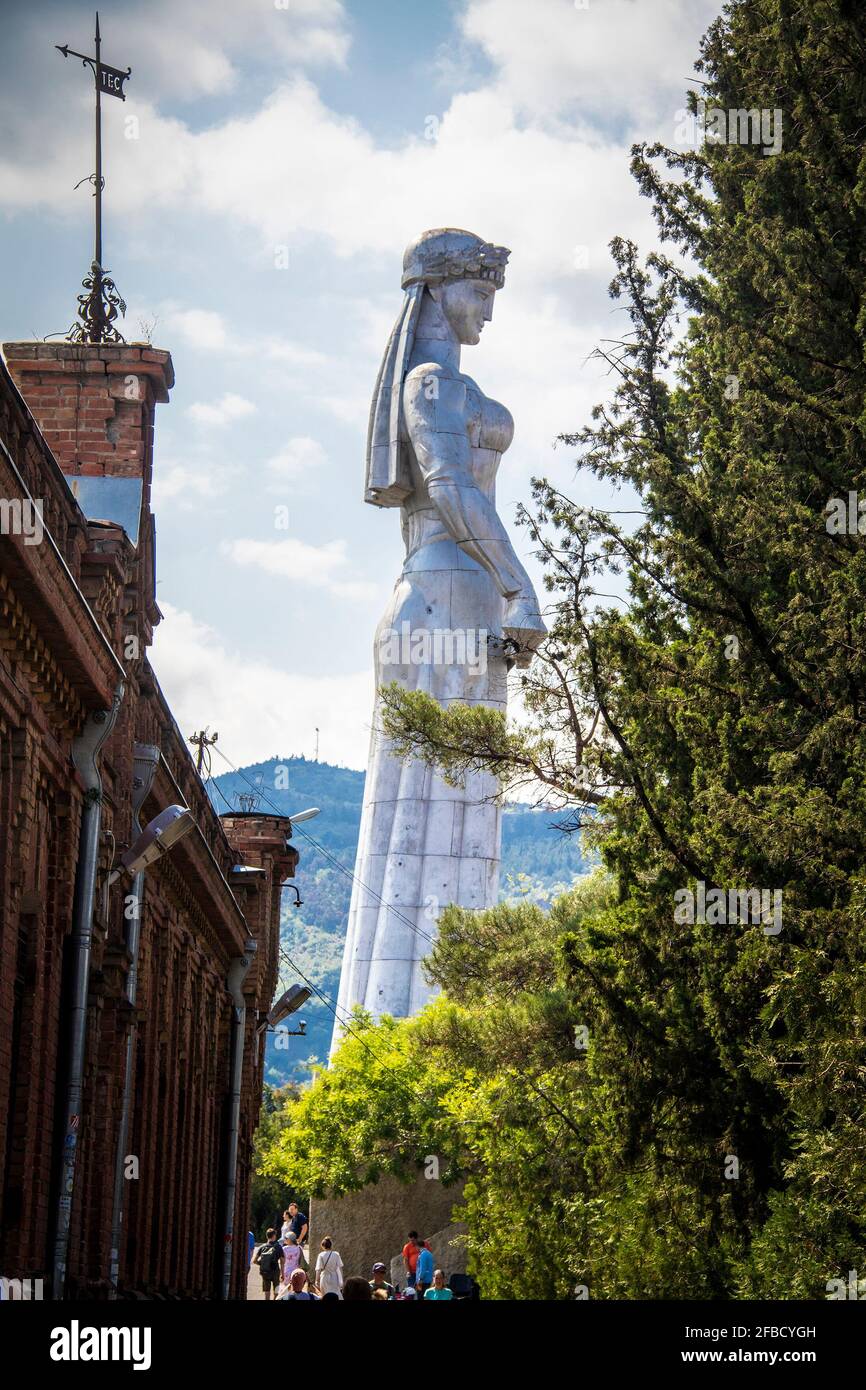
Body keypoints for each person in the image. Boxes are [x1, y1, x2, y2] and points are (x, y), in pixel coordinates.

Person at [252, 1228, 284, 1302]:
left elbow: (254, 1261)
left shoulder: (262, 1247)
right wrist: (282, 1273)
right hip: (275, 1271)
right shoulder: (278, 1247)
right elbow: (282, 1261)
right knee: (276, 1290)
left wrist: (262, 1263)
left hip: (265, 1272)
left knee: (267, 1291)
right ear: (274, 1236)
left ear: (267, 1236)